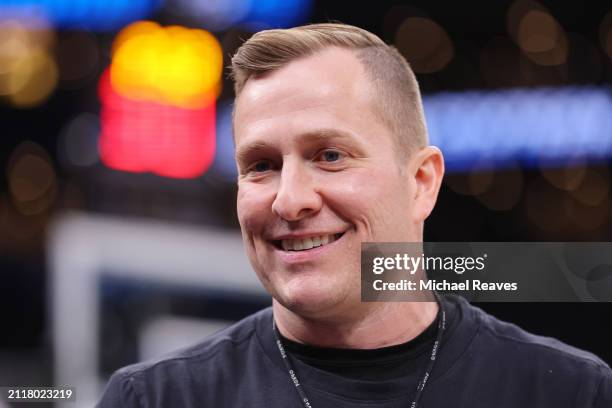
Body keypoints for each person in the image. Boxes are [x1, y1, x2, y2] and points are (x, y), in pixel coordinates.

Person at [97, 23, 612, 407]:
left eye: (330, 156)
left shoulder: (570, 392)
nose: (289, 199)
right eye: (261, 165)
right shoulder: (155, 399)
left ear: (421, 184)